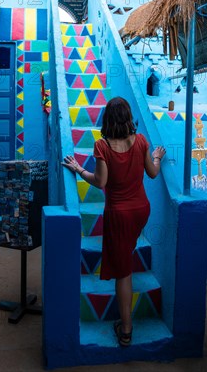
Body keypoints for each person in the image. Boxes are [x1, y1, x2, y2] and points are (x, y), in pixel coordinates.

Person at [62, 96, 166, 347]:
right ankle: (127, 322)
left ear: (107, 119)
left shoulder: (102, 146)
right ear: (128, 117)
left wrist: (78, 169)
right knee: (125, 256)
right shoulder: (141, 141)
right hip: (141, 211)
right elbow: (152, 174)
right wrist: (157, 157)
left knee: (123, 273)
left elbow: (100, 182)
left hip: (119, 215)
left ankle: (127, 330)